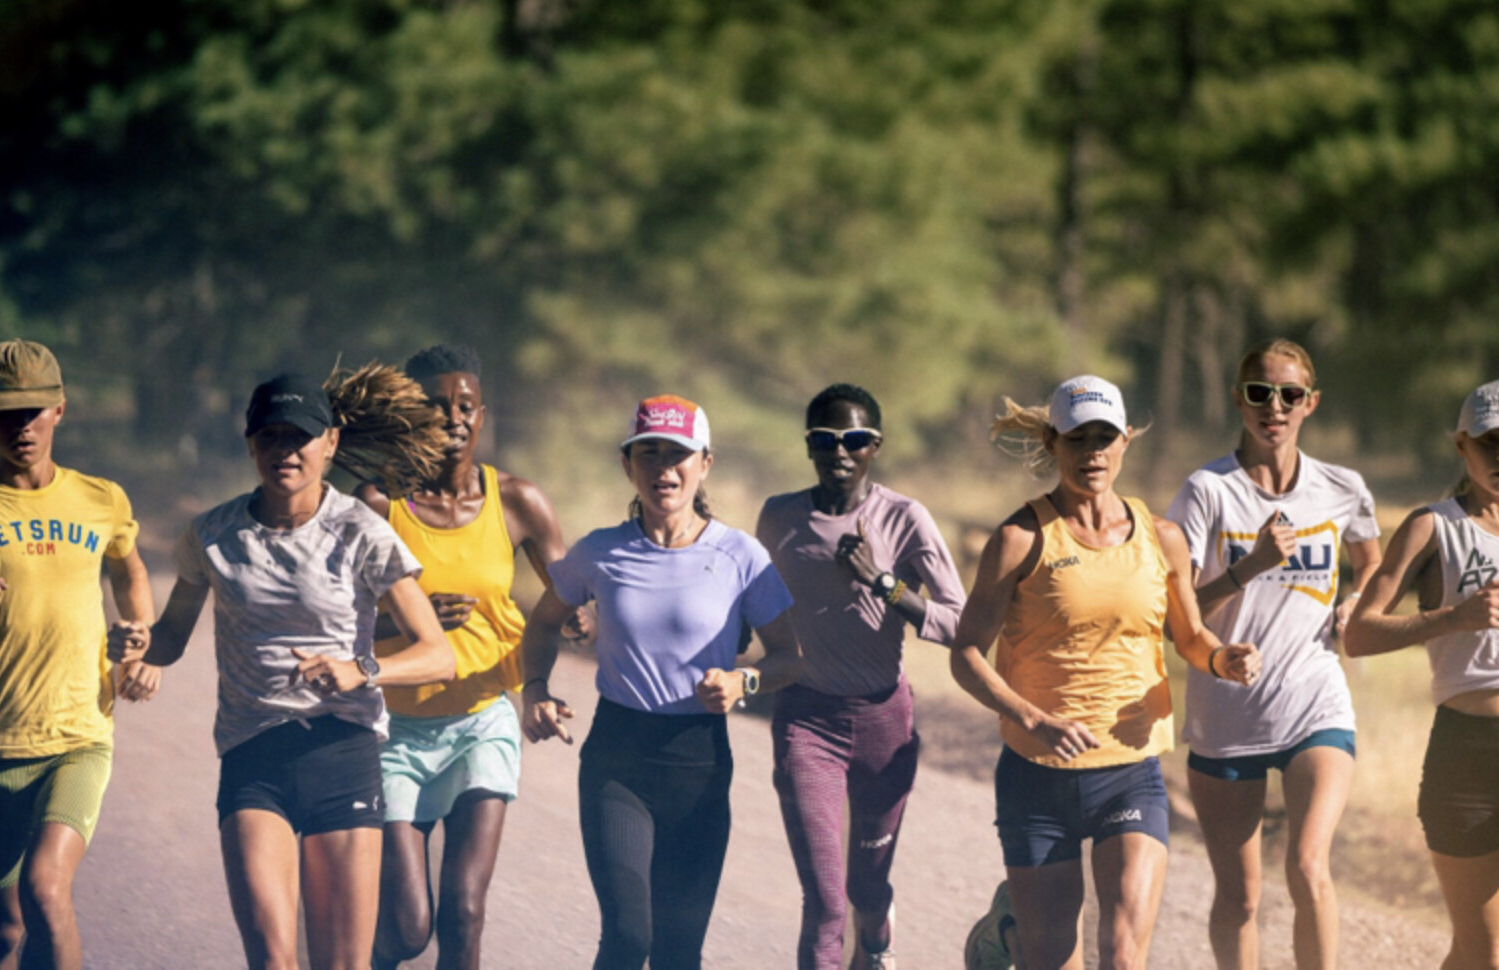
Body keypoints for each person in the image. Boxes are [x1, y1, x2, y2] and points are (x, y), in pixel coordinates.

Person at [108, 368, 456, 970]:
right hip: (253, 756)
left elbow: (438, 654)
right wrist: (138, 642)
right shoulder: (212, 535)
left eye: (299, 437)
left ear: (330, 443)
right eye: (270, 436)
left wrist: (360, 670)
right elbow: (169, 642)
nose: (284, 451)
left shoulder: (361, 532)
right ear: (251, 444)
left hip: (343, 754)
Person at [948, 375, 1262, 970]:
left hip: (1129, 772)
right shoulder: (1020, 538)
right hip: (1037, 774)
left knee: (1122, 955)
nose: (1092, 452)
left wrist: (1222, 659)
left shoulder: (1162, 538)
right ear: (1052, 443)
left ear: (1126, 441)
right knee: (1051, 958)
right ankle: (1011, 936)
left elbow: (1190, 637)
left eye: (1104, 438)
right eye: (1077, 438)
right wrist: (1033, 719)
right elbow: (964, 653)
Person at [519, 393, 804, 970]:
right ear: (627, 465)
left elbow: (790, 657)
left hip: (699, 766)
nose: (663, 468)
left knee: (678, 954)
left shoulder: (741, 556)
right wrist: (536, 689)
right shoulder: (601, 551)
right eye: (647, 453)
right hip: (617, 763)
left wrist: (743, 683)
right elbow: (543, 623)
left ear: (705, 464)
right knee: (628, 938)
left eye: (678, 455)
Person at [356, 344, 587, 970]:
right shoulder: (378, 503)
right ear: (411, 416)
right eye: (435, 406)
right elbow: (335, 617)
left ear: (482, 415)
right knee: (406, 930)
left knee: (464, 912)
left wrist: (579, 618)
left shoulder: (518, 501)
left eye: (465, 406)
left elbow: (570, 594)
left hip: (481, 722)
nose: (452, 417)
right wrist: (407, 620)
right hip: (392, 731)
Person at [0, 338, 160, 970]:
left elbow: (131, 573)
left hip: (78, 736)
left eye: (32, 411)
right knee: (0, 932)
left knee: (44, 889)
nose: (21, 427)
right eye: (4, 414)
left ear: (60, 409)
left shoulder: (101, 499)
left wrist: (138, 642)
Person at [1165, 338, 1382, 970]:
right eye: (1260, 393)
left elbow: (1371, 559)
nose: (1274, 407)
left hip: (1315, 699)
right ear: (1240, 400)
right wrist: (1249, 566)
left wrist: (1356, 600)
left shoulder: (1342, 487)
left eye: (1289, 394)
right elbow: (1177, 615)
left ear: (1311, 403)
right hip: (1227, 711)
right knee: (1241, 897)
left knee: (1309, 865)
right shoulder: (1208, 490)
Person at [755, 383, 966, 970]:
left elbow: (959, 622)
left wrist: (885, 584)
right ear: (808, 446)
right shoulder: (779, 516)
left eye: (854, 439)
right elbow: (751, 603)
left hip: (883, 724)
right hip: (806, 719)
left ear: (876, 445)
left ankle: (875, 939)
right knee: (826, 903)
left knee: (865, 889)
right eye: (825, 440)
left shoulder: (904, 518)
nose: (840, 452)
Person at [1345, 380, 1498, 970]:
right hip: (1467, 753)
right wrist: (1453, 618)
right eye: (1490, 444)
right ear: (1462, 445)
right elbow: (1359, 635)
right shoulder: (1433, 527)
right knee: (1481, 952)